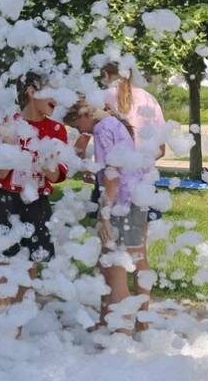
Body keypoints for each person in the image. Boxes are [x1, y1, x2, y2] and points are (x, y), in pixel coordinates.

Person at [0, 71, 69, 314]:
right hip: (5, 199)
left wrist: (47, 166)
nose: (57, 99)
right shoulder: (8, 122)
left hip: (37, 199)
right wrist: (9, 146)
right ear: (31, 91)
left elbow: (60, 175)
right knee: (4, 261)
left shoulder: (57, 129)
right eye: (52, 92)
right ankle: (0, 320)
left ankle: (19, 323)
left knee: (30, 261)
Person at [64, 100, 154, 333]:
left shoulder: (102, 129)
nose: (79, 131)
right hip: (133, 199)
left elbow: (113, 176)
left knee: (116, 269)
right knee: (106, 264)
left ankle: (121, 332)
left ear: (85, 115)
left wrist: (104, 214)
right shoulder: (113, 124)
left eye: (76, 125)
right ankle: (107, 322)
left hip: (121, 203)